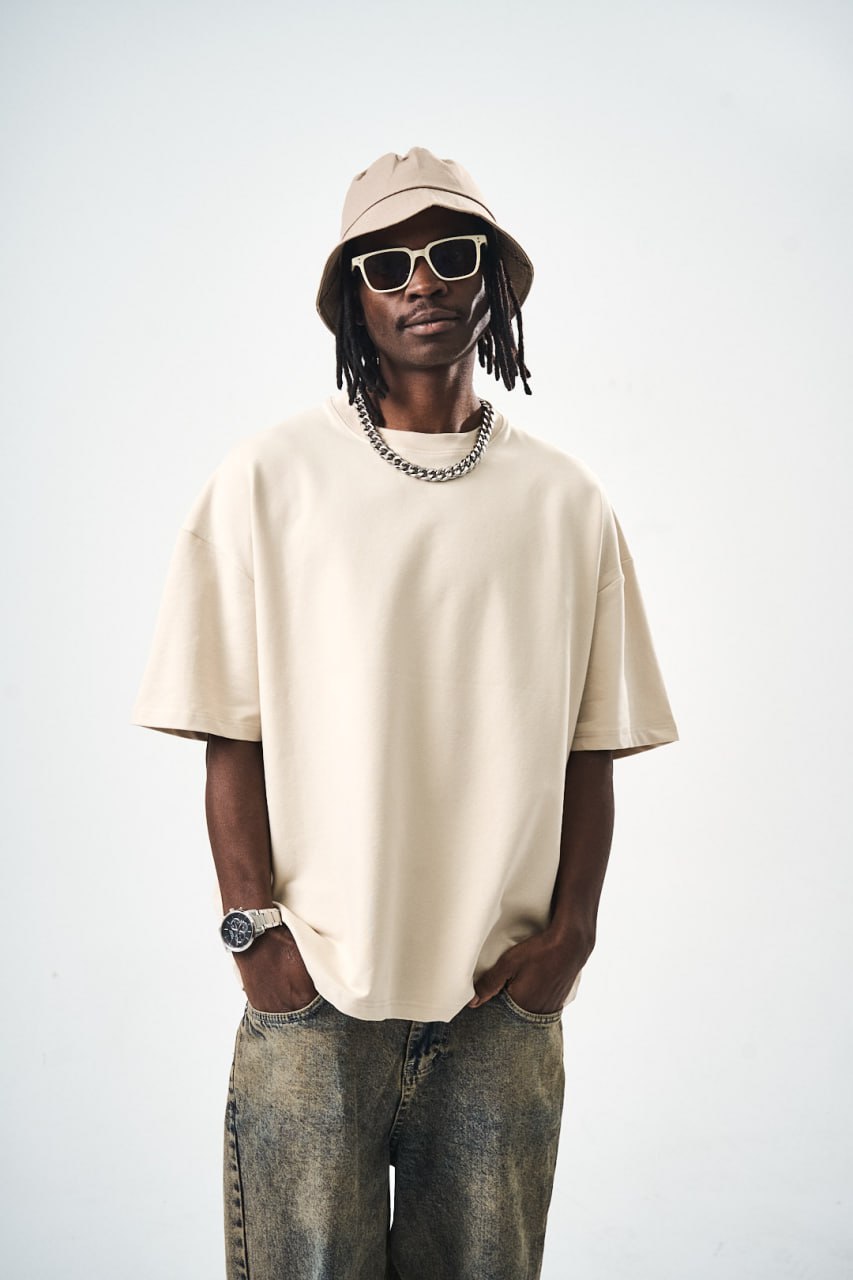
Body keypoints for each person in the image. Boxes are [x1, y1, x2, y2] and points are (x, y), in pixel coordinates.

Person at [132, 146, 678, 1279]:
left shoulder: (566, 502)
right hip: (316, 992)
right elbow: (230, 733)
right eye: (386, 264)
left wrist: (570, 937)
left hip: (499, 1003)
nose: (421, 280)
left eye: (451, 253)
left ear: (493, 280)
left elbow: (591, 746)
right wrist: (254, 935)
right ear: (352, 297)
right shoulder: (269, 478)